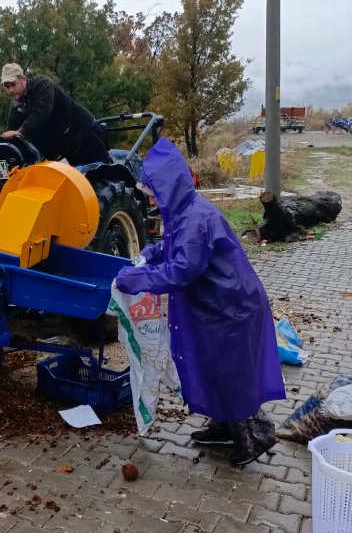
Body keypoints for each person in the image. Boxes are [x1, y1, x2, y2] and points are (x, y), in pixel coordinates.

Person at [115, 138, 285, 468]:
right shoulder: (183, 211)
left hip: (229, 308)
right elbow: (176, 249)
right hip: (215, 306)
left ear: (167, 187)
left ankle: (256, 436)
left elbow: (182, 271)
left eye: (152, 191)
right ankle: (224, 427)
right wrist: (152, 253)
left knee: (229, 374)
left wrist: (134, 279)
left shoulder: (194, 218)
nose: (148, 197)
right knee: (212, 367)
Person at [0, 63, 111, 166]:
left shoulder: (43, 85)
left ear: (24, 79)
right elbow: (12, 130)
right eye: (7, 86)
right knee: (80, 181)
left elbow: (41, 114)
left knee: (105, 174)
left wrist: (20, 132)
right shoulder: (17, 106)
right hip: (66, 146)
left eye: (13, 84)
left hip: (85, 133)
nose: (10, 90)